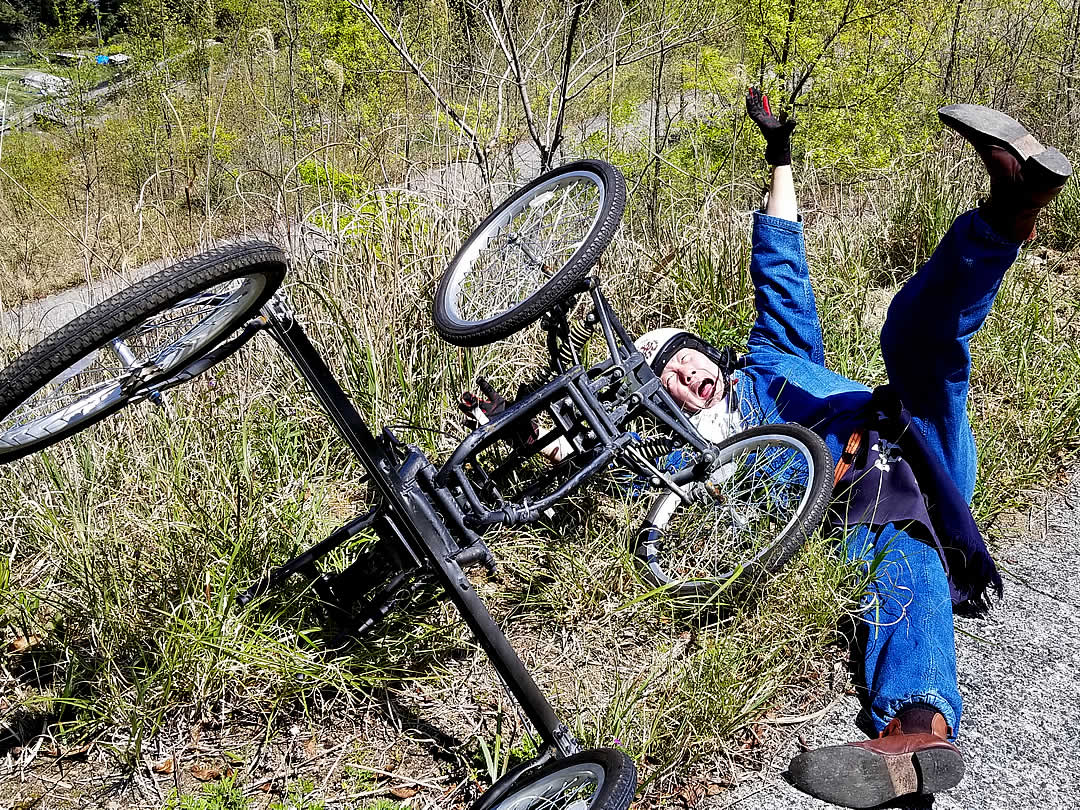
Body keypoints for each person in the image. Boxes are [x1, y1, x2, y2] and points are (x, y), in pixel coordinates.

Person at [631, 90, 1072, 808]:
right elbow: (618, 484)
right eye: (665, 384)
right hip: (866, 507)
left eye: (679, 355)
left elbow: (780, 258)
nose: (681, 374)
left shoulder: (772, 356)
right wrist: (533, 437)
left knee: (915, 340)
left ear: (703, 350)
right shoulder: (701, 462)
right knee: (903, 556)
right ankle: (916, 733)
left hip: (913, 443)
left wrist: (778, 153)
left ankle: (1012, 207)